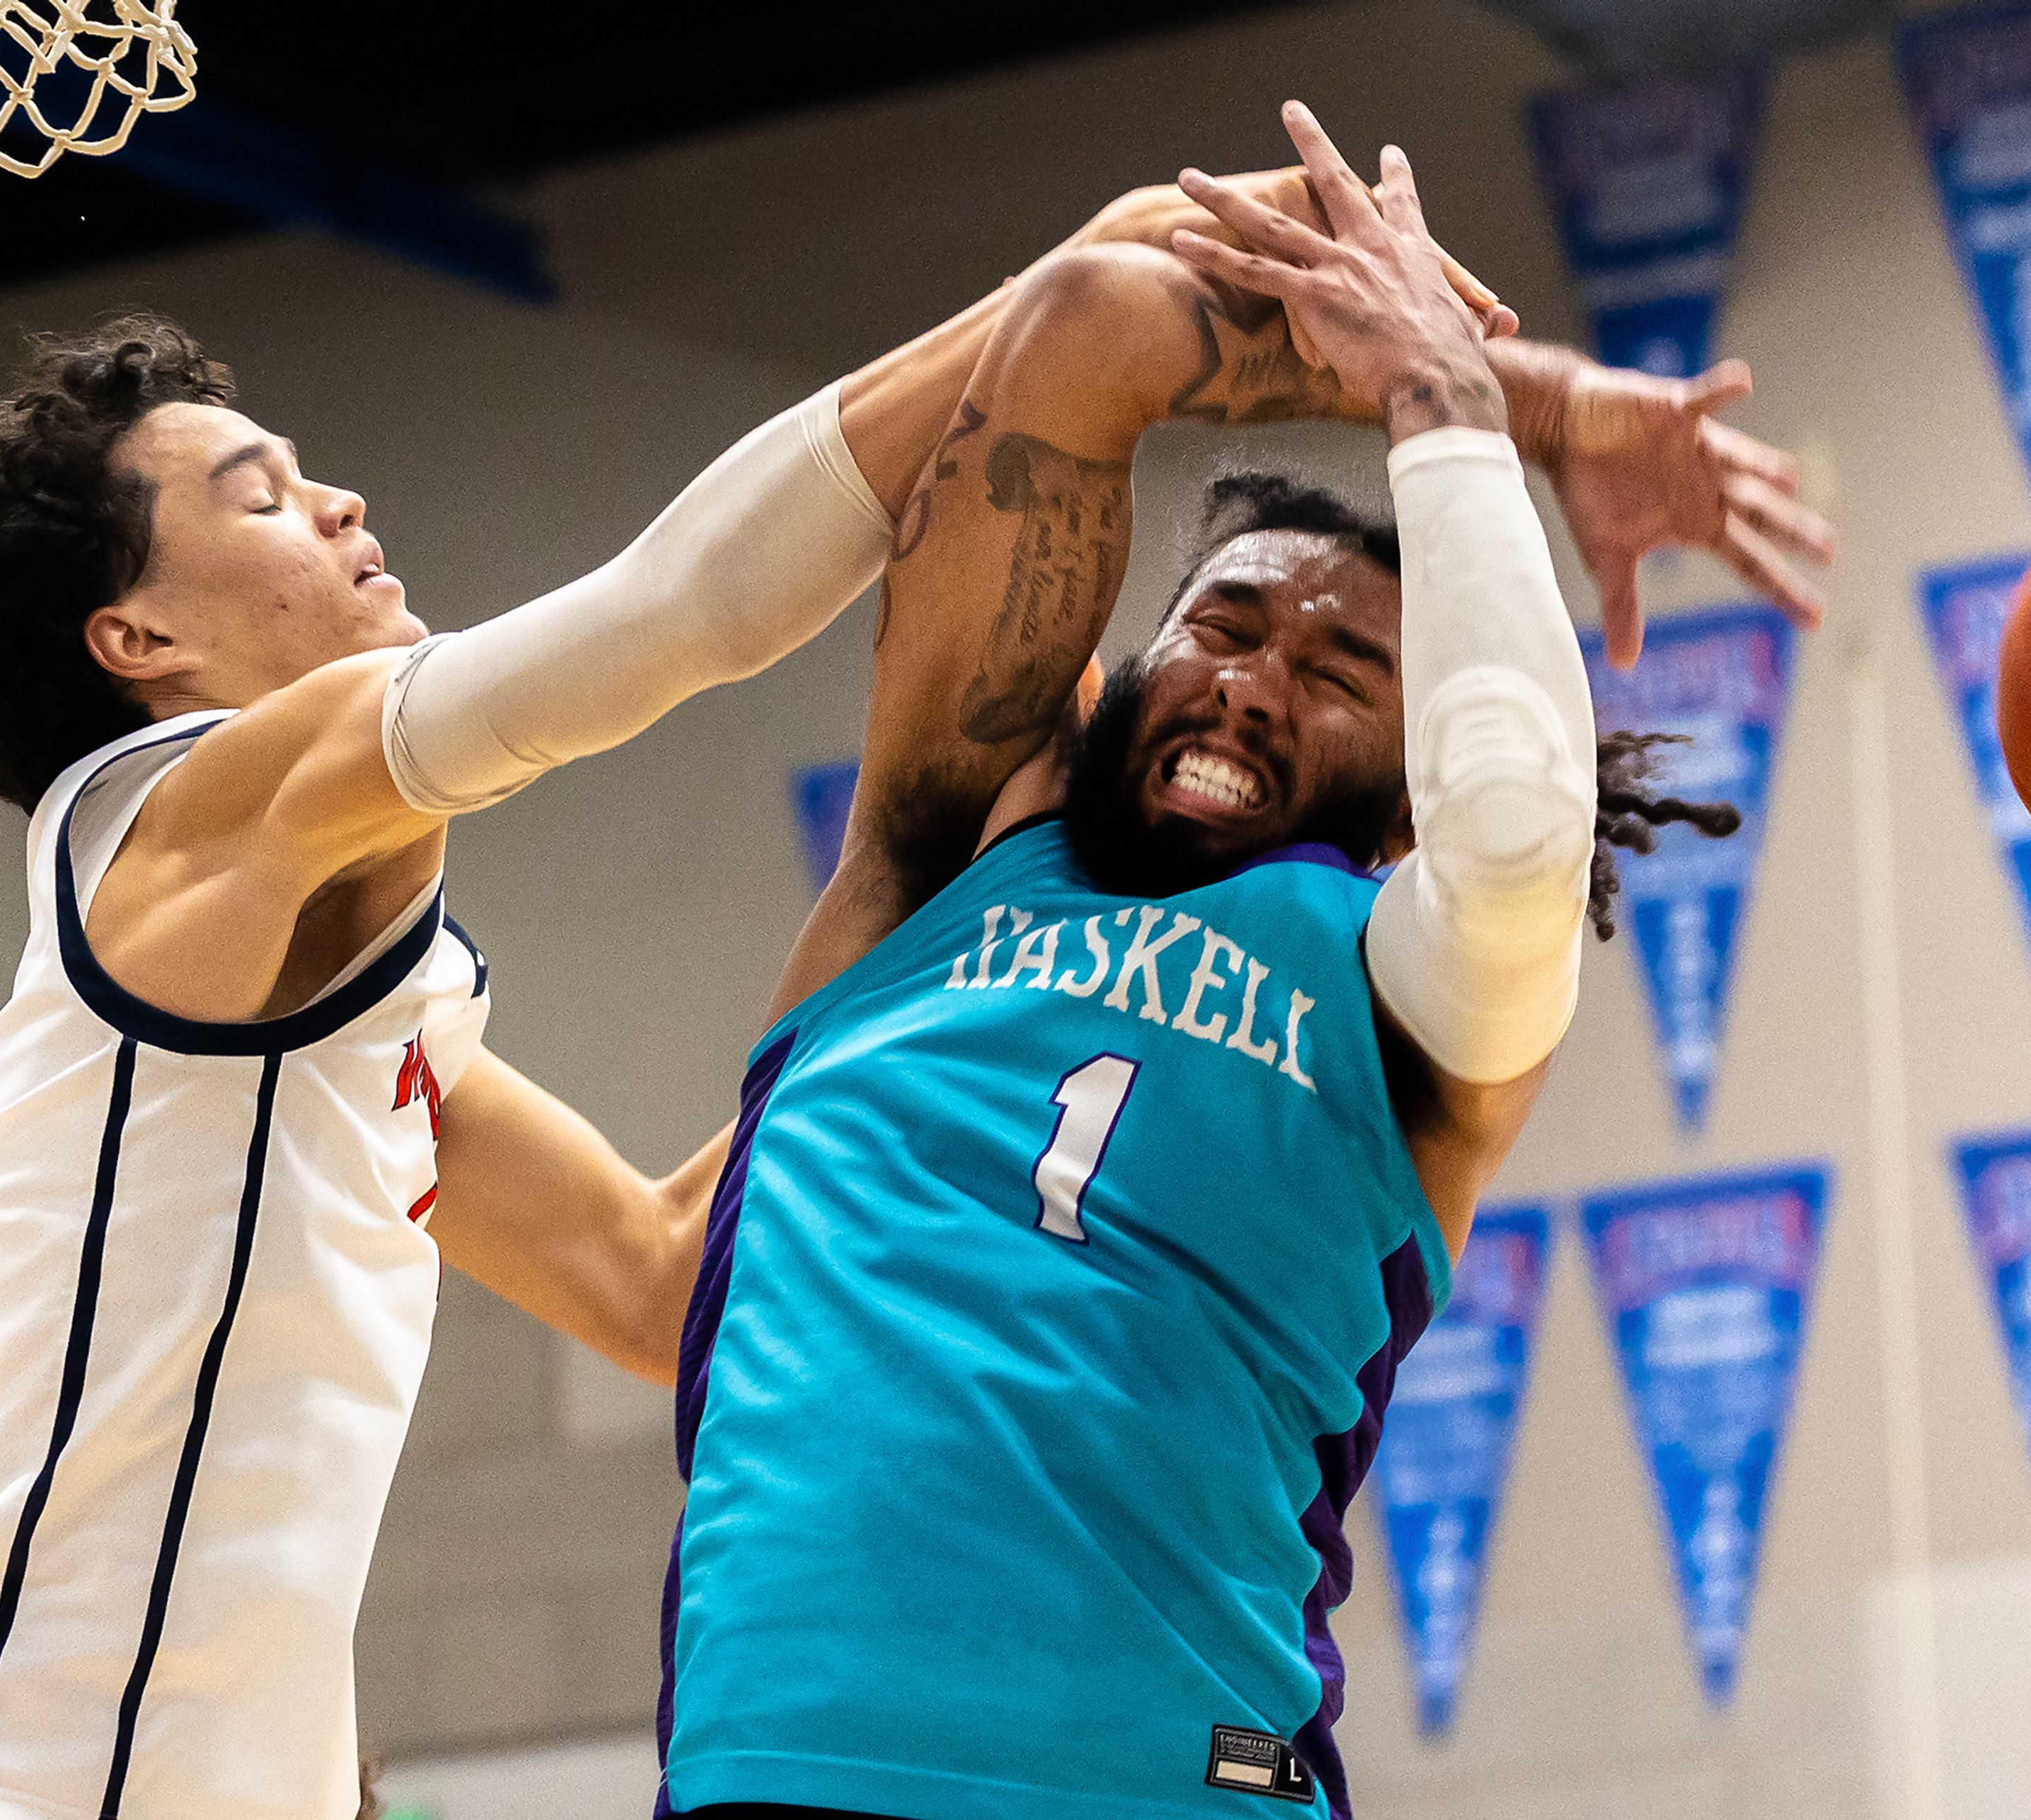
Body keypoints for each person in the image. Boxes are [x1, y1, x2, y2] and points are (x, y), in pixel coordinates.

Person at [0, 169, 1498, 1820]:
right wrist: (1060, 316)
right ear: (136, 639)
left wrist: (972, 993)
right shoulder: (182, 820)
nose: (339, 507)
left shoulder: (294, 1026)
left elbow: (654, 1267)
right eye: (260, 496)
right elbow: (677, 610)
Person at [654, 103, 1833, 1820]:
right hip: (784, 1776)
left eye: (1343, 667)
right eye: (1224, 622)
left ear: (1412, 756)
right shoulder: (938, 862)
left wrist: (1452, 396)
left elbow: (1510, 834)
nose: (1254, 678)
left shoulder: (1407, 989)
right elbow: (1085, 328)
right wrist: (1555, 396)